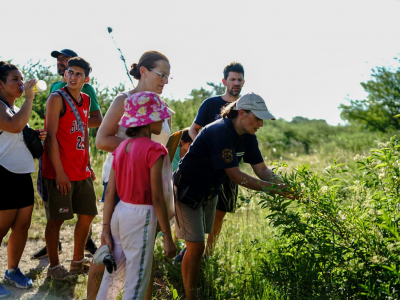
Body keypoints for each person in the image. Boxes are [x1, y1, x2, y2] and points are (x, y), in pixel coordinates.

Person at [175, 93, 298, 300]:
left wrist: (288, 186)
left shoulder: (248, 136)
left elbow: (262, 170)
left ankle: (194, 285)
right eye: (257, 118)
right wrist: (275, 190)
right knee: (196, 247)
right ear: (241, 113)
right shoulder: (220, 132)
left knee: (197, 244)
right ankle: (190, 296)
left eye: (262, 119)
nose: (260, 124)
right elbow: (236, 176)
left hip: (210, 191)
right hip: (189, 190)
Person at [87, 50, 172, 300]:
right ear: (144, 72)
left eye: (169, 77)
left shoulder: (159, 105)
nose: (165, 81)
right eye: (162, 75)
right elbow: (102, 140)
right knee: (111, 249)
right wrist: (138, 153)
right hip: (125, 181)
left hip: (151, 188)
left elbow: (163, 142)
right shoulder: (124, 100)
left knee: (141, 254)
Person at [32, 49, 103, 260]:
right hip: (59, 170)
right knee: (56, 220)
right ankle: (54, 266)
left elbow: (85, 132)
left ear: (86, 79)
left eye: (78, 74)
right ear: (65, 75)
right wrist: (60, 172)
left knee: (89, 214)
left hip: (80, 168)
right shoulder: (56, 97)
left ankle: (77, 260)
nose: (72, 76)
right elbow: (51, 136)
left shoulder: (87, 99)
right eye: (70, 72)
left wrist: (88, 165)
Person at [183, 62, 245, 258]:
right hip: (205, 171)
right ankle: (190, 251)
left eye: (239, 79)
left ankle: (208, 254)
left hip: (230, 170)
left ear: (244, 81)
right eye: (233, 79)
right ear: (224, 81)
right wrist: (203, 150)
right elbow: (193, 129)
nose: (236, 82)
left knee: (219, 214)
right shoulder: (210, 104)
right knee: (199, 212)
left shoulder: (245, 107)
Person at [0, 61, 46, 297]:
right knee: (0, 228)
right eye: (14, 80)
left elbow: (18, 132)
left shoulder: (14, 108)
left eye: (21, 79)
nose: (20, 83)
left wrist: (36, 135)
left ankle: (12, 270)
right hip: (3, 175)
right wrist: (29, 98)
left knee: (22, 226)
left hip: (21, 175)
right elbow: (14, 126)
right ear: (0, 83)